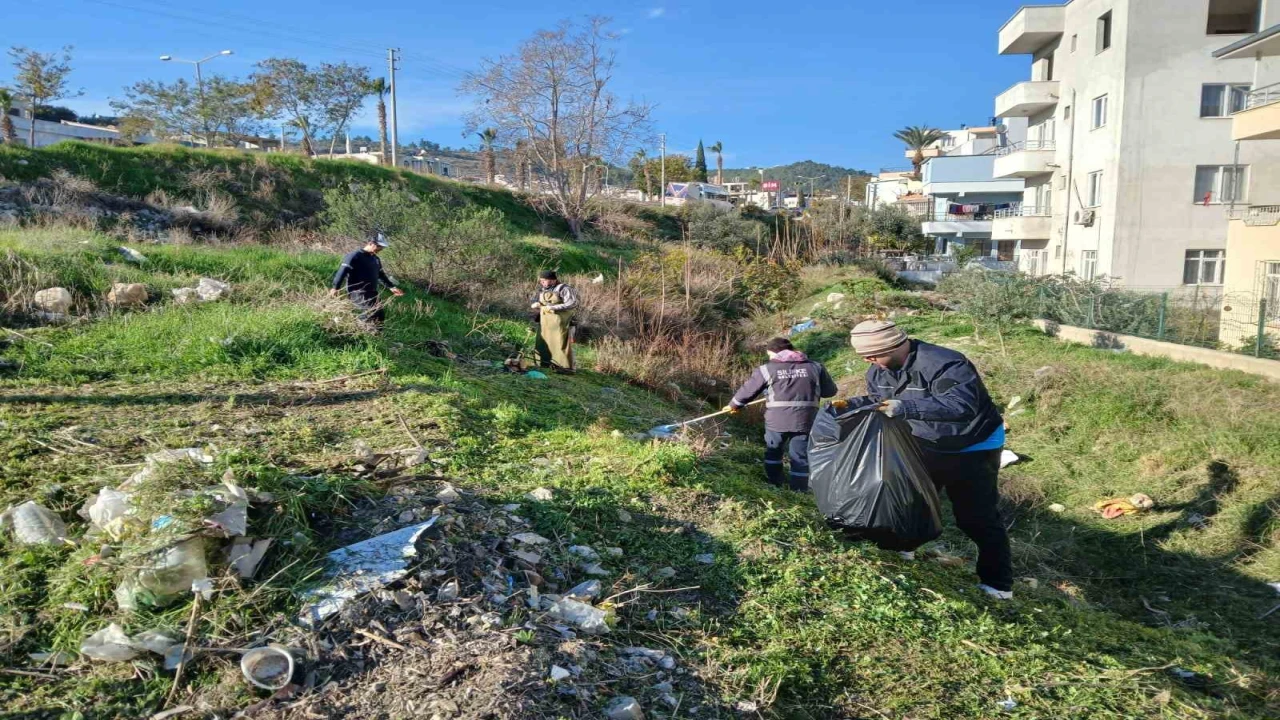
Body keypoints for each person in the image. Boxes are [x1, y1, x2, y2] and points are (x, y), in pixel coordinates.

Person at [834, 320, 1013, 600]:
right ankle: (904, 547)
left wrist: (907, 407)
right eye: (864, 357)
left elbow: (961, 406)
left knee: (976, 517)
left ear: (893, 345)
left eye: (872, 355)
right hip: (924, 443)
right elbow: (881, 403)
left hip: (973, 446)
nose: (868, 361)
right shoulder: (878, 372)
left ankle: (998, 584)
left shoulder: (946, 363)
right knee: (910, 502)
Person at [724, 337, 838, 491]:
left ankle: (775, 483)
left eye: (770, 355)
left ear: (773, 352)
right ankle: (799, 490)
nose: (771, 358)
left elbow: (748, 390)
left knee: (774, 450)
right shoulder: (816, 367)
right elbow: (830, 391)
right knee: (800, 455)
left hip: (777, 420)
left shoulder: (767, 369)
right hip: (805, 419)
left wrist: (733, 405)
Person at [330, 233, 404, 329]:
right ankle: (355, 331)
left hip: (372, 292)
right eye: (378, 246)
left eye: (382, 247)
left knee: (379, 314)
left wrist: (391, 287)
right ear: (370, 243)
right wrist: (335, 287)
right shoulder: (354, 256)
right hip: (358, 292)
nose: (380, 249)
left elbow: (381, 275)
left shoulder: (375, 259)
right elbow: (342, 271)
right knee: (370, 312)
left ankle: (376, 337)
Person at [530, 270, 578, 373]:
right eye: (541, 281)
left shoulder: (564, 289)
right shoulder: (543, 289)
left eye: (544, 281)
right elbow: (540, 301)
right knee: (543, 342)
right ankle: (544, 364)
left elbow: (572, 303)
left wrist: (554, 307)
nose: (542, 283)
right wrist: (536, 304)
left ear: (552, 280)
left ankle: (564, 367)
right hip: (545, 322)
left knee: (560, 343)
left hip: (560, 323)